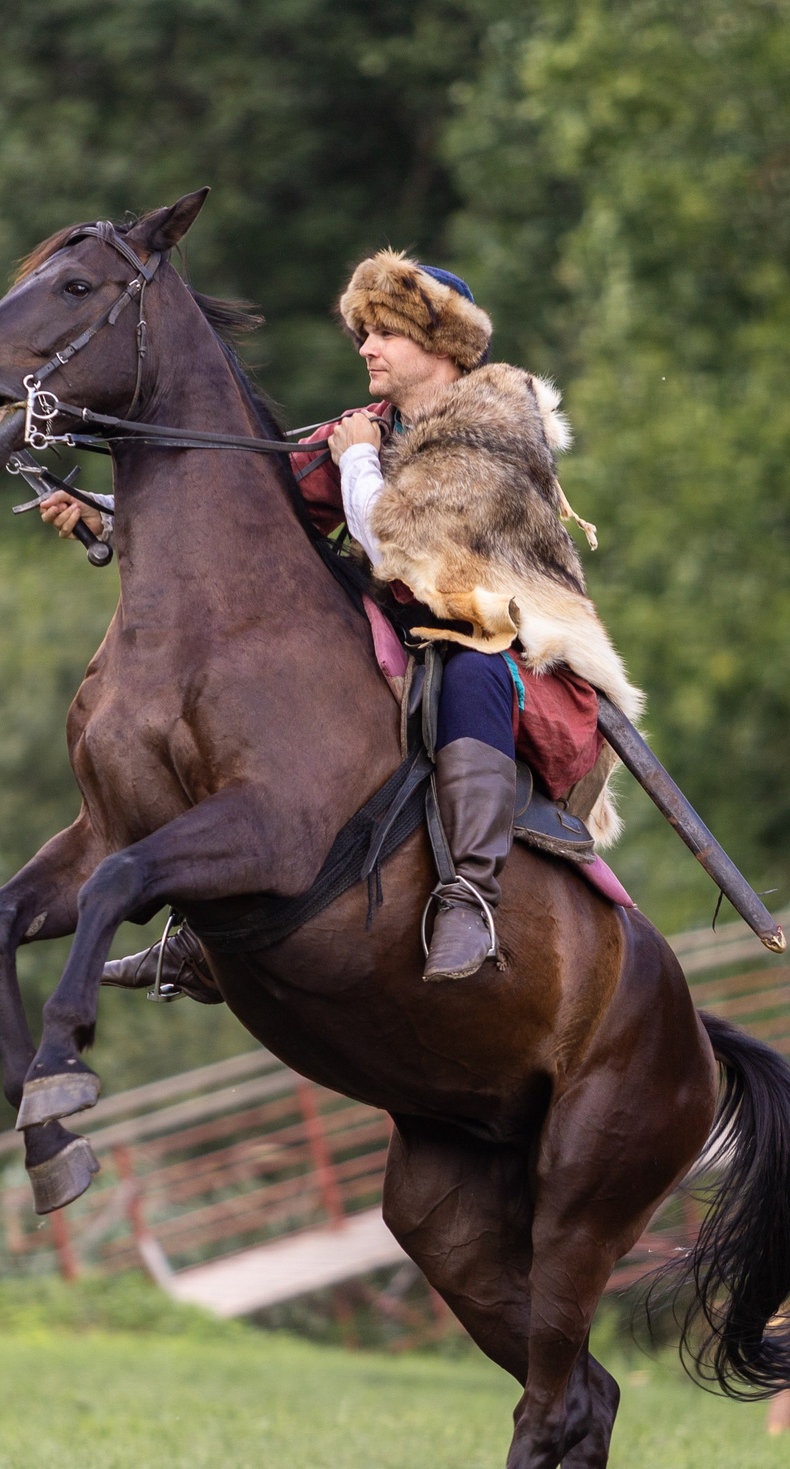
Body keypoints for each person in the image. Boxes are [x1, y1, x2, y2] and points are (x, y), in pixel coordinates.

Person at [62, 250, 626, 986]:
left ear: (441, 346)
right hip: (402, 634)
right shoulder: (372, 427)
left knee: (472, 672)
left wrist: (359, 462)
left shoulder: (491, 436)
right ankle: (210, 930)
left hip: (517, 660)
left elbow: (395, 547)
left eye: (384, 332)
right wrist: (104, 514)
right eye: (364, 332)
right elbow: (247, 509)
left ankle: (471, 898)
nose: (365, 347)